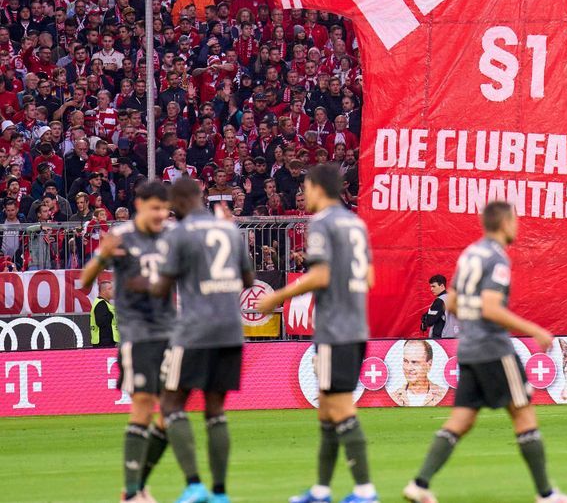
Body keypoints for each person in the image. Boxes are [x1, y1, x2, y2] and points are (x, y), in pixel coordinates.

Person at [403, 201, 567, 503]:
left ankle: (419, 483)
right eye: (515, 221)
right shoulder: (497, 259)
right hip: (494, 348)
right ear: (506, 223)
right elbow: (491, 307)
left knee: (461, 419)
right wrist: (534, 329)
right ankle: (546, 494)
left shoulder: (470, 254)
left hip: (468, 347)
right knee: (524, 414)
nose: (517, 226)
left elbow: (453, 303)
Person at [257, 163, 379, 503]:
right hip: (354, 323)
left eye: (305, 188)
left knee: (340, 407)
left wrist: (277, 297)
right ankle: (322, 490)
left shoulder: (323, 223)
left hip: (335, 328)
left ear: (316, 188)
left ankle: (365, 491)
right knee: (327, 409)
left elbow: (320, 275)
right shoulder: (355, 223)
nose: (303, 195)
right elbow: (368, 279)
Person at [153, 178, 255, 503]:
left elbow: (162, 287)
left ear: (180, 202)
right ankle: (221, 493)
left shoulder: (179, 234)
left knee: (171, 404)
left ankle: (195, 485)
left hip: (195, 330)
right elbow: (249, 280)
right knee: (215, 411)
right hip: (230, 329)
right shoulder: (229, 229)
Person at [79, 181, 175, 503]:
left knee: (172, 413)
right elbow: (85, 282)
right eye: (155, 208)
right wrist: (101, 256)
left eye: (165, 208)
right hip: (139, 335)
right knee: (144, 406)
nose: (161, 214)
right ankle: (132, 492)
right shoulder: (122, 237)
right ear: (140, 205)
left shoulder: (170, 238)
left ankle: (139, 483)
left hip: (169, 334)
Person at [389, 340, 449, 407]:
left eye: (414, 362)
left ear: (429, 364)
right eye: (405, 361)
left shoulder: (442, 395)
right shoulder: (394, 398)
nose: (409, 368)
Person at [421, 274, 457, 338]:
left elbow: (430, 321)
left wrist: (425, 319)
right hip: (455, 337)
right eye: (431, 286)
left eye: (433, 286)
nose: (431, 289)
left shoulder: (439, 301)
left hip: (441, 339)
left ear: (442, 286)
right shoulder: (451, 299)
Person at [89, 278, 118, 347]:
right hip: (104, 343)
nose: (113, 291)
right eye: (110, 289)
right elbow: (101, 322)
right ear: (103, 291)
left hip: (105, 342)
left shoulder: (104, 303)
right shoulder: (101, 304)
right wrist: (111, 314)